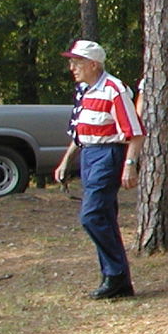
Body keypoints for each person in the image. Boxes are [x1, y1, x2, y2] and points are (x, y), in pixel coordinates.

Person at [53, 40, 145, 300]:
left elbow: (135, 132)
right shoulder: (85, 90)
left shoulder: (113, 89)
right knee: (102, 216)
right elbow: (81, 131)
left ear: (93, 64)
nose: (72, 67)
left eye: (77, 62)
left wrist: (129, 164)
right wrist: (66, 161)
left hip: (108, 154)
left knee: (91, 216)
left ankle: (115, 274)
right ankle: (116, 279)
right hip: (90, 154)